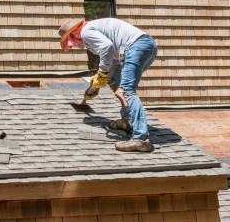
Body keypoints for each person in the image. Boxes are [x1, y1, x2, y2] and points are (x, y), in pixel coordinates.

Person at [59, 18, 158, 152]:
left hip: (136, 47)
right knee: (117, 83)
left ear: (73, 35)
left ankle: (141, 139)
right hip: (146, 46)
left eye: (71, 43)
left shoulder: (85, 32)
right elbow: (114, 61)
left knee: (126, 91)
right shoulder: (94, 29)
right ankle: (126, 121)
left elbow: (107, 47)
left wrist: (102, 73)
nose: (73, 46)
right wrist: (103, 80)